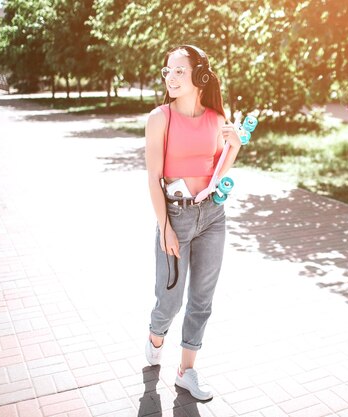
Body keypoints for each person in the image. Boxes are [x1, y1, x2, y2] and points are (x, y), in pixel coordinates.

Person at [143, 45, 241, 401]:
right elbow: (154, 177)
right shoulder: (160, 118)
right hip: (176, 216)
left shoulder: (217, 117)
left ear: (200, 76)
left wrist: (235, 147)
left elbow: (216, 172)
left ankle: (186, 371)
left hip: (212, 215)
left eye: (180, 71)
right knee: (169, 301)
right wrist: (165, 226)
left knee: (202, 298)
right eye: (167, 70)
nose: (171, 77)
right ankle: (155, 336)